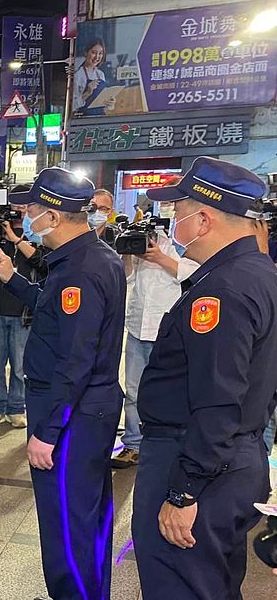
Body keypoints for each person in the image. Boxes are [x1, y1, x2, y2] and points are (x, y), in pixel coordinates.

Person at [131, 157, 277, 598]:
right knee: (212, 585)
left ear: (204, 218)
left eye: (177, 211)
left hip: (197, 459)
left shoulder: (222, 291)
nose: (173, 221)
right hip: (234, 456)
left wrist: (183, 491)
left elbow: (217, 397)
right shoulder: (260, 274)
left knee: (180, 584)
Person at [0, 167, 126, 600]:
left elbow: (75, 359)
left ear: (54, 215)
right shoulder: (86, 258)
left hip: (72, 416)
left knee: (67, 523)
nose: (25, 217)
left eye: (30, 210)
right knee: (87, 517)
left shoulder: (80, 270)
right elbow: (53, 313)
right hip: (87, 409)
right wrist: (11, 277)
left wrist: (48, 432)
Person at [110, 214, 197, 469]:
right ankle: (133, 444)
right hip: (138, 327)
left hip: (167, 331)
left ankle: (168, 445)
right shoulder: (137, 246)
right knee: (134, 392)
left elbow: (192, 278)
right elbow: (126, 278)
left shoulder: (183, 246)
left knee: (170, 392)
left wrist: (160, 257)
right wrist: (127, 253)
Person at [0, 201, 47, 429]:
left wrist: (16, 239)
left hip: (23, 313)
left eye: (24, 208)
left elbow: (41, 262)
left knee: (19, 366)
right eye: (16, 207)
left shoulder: (38, 235)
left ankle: (16, 407)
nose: (20, 212)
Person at [73, 38, 109, 115]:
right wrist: (88, 93)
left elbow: (104, 104)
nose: (97, 57)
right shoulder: (78, 75)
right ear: (86, 53)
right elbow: (73, 106)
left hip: (101, 117)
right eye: (94, 53)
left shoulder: (100, 74)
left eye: (100, 53)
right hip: (84, 119)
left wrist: (109, 103)